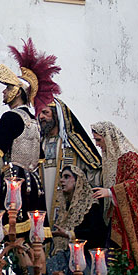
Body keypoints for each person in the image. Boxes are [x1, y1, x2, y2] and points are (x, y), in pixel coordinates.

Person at [0, 38, 61, 243]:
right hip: (34, 183)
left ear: (17, 91)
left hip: (14, 181)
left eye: (7, 88)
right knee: (33, 242)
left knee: (12, 239)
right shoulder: (33, 120)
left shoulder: (11, 117)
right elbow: (39, 159)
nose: (4, 92)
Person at [91, 121, 138, 266]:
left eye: (99, 140)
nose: (97, 144)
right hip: (120, 214)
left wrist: (110, 192)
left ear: (109, 138)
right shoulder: (112, 160)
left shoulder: (129, 157)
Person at [37, 98, 103, 232]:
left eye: (45, 112)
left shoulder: (72, 144)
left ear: (56, 115)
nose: (41, 117)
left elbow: (93, 169)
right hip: (43, 199)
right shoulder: (39, 143)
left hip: (67, 203)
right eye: (39, 113)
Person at [51, 165, 108, 255]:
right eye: (61, 177)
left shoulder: (90, 204)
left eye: (66, 177)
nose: (61, 180)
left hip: (84, 257)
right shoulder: (65, 207)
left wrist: (69, 234)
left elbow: (98, 234)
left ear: (78, 180)